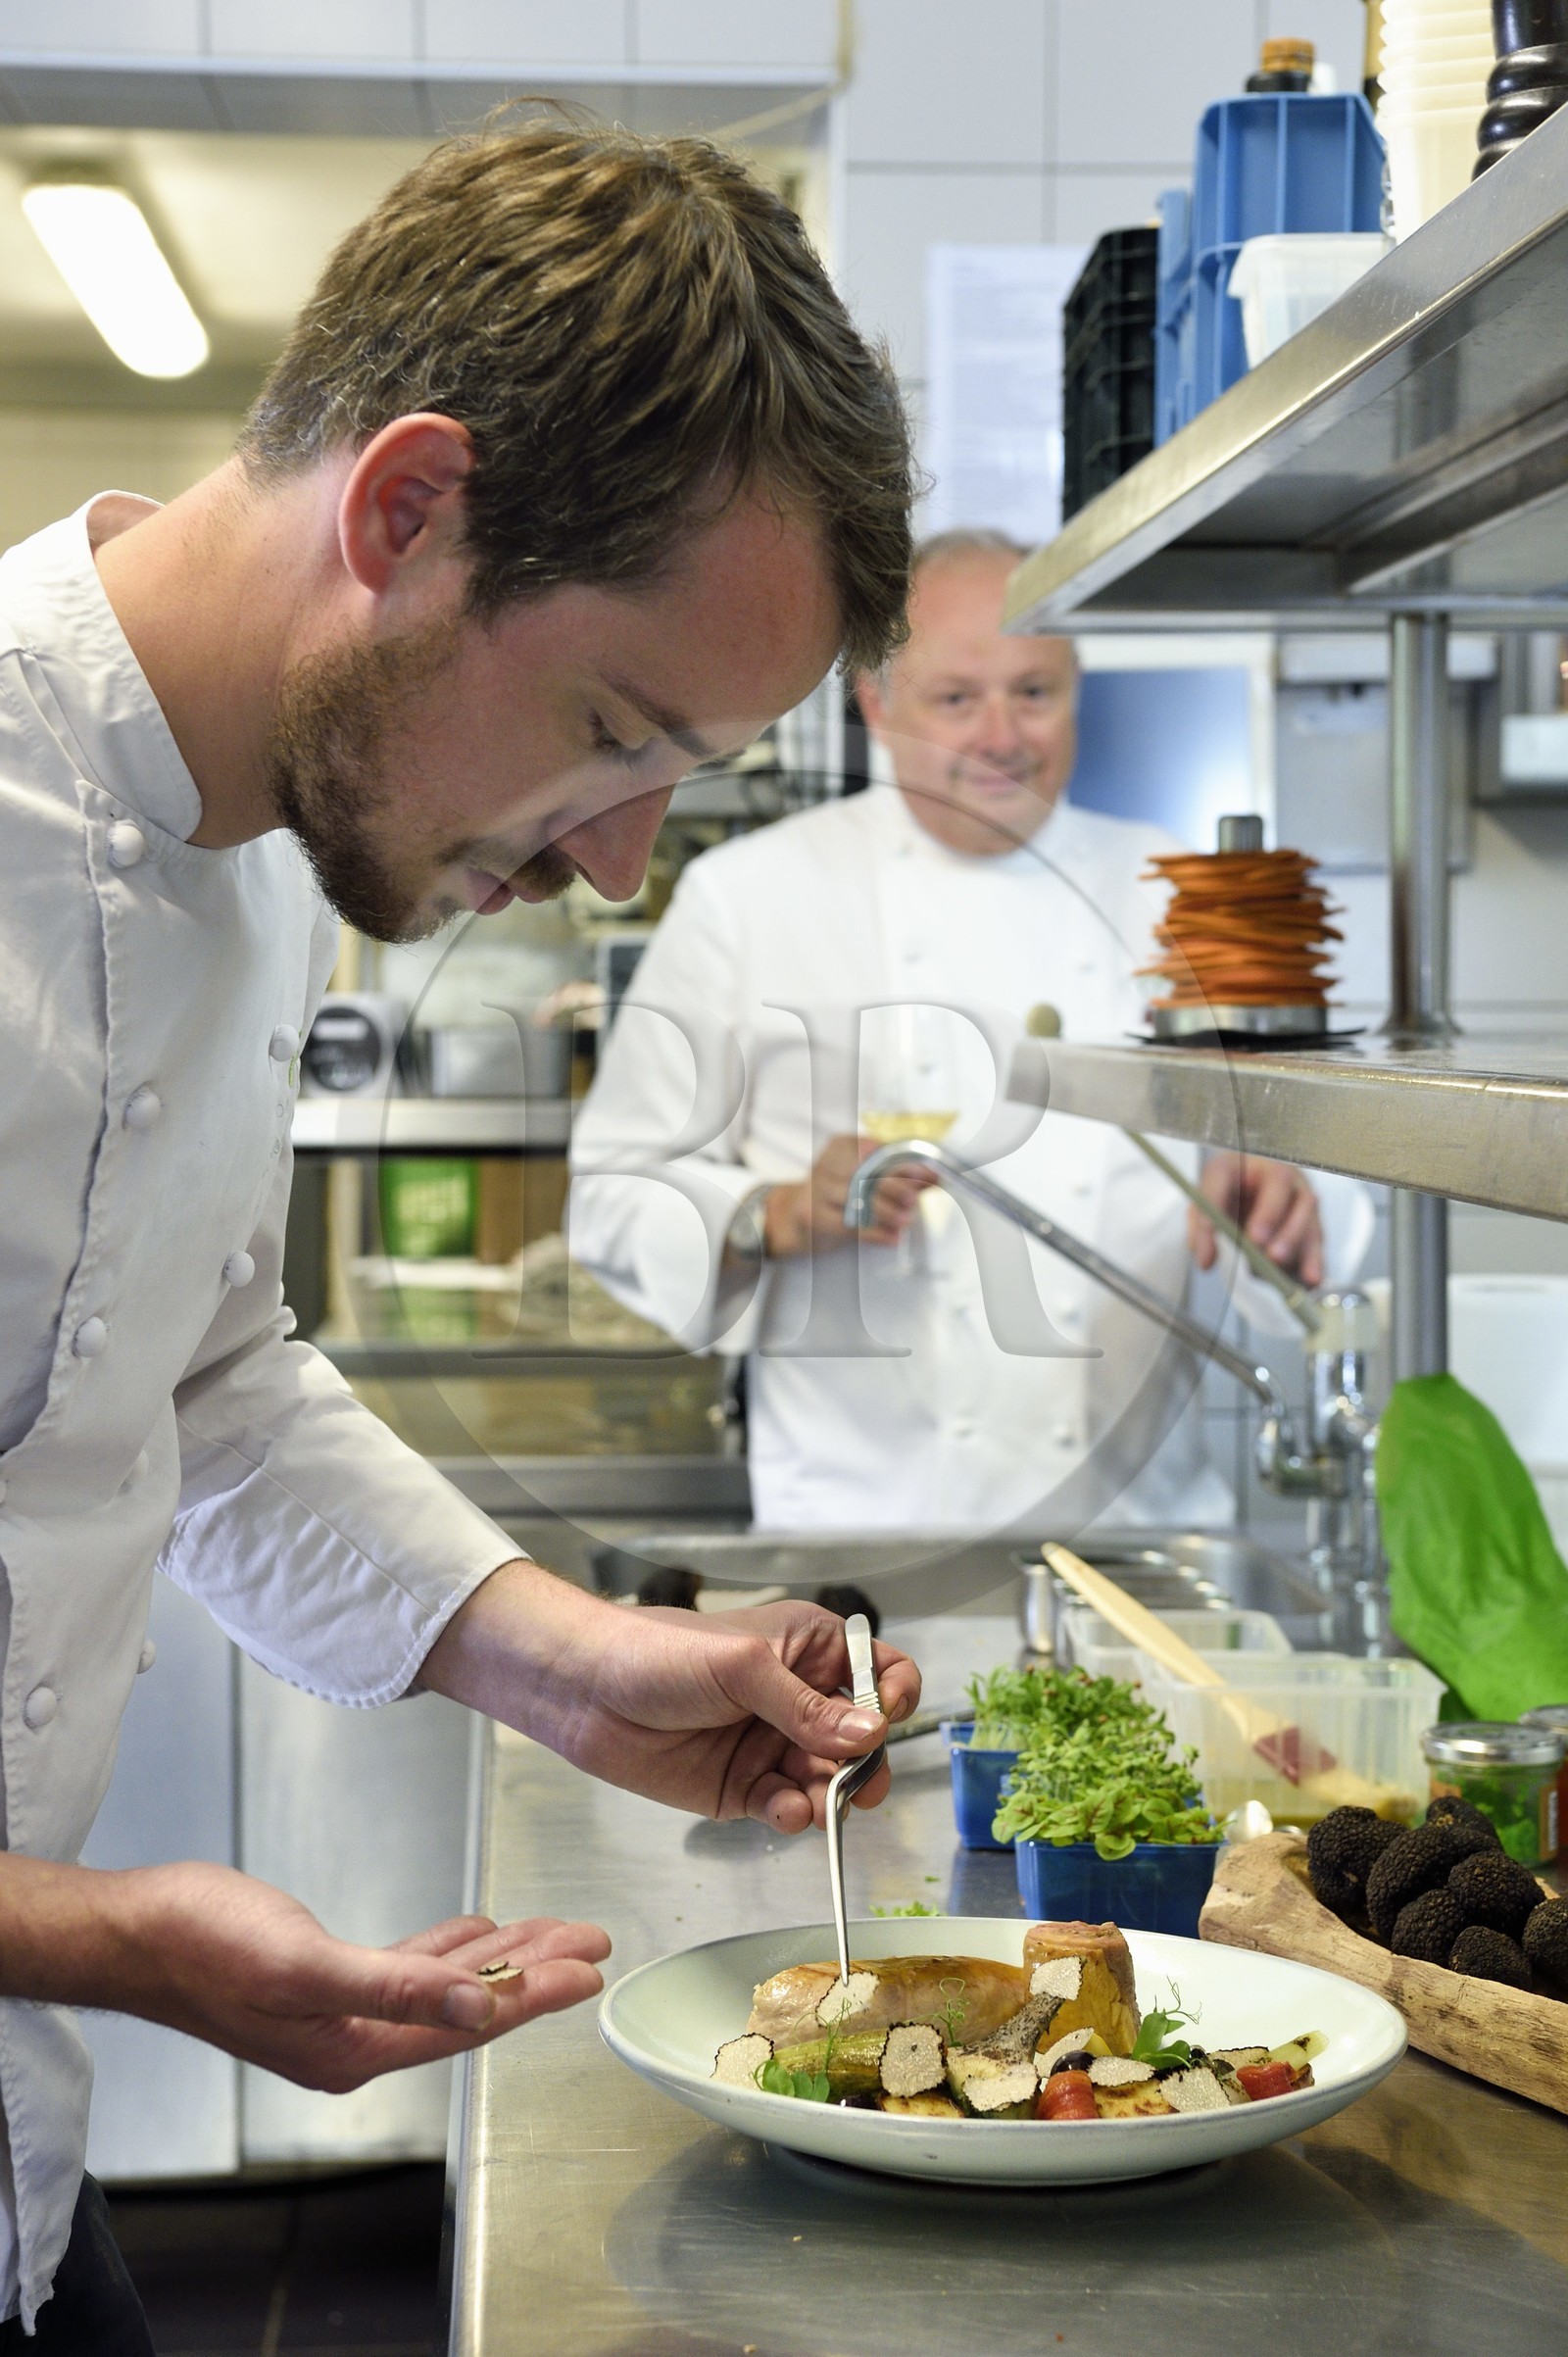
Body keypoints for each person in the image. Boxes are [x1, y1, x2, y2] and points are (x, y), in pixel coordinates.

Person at [0, 122, 921, 2344]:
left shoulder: (257, 855)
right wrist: (99, 1934)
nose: (620, 866)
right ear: (405, 512)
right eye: (615, 734)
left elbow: (199, 1382)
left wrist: (574, 1661)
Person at [569, 529, 1373, 1532]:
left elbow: (1322, 1205)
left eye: (1033, 691)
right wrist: (771, 1211)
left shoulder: (1178, 894)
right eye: (957, 698)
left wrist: (1288, 1205)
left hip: (1138, 1536)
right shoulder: (748, 897)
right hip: (863, 1538)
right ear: (875, 702)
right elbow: (611, 1197)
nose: (1002, 735)